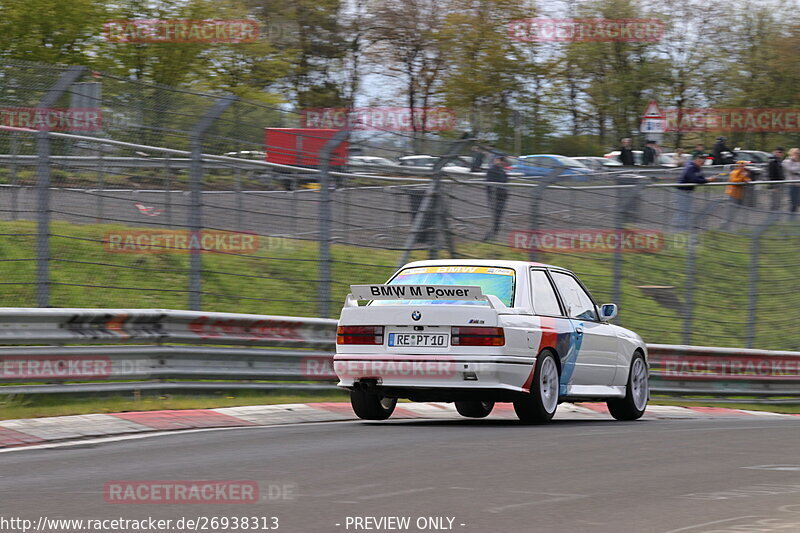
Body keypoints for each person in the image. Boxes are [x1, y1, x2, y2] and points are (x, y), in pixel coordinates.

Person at [673, 154, 716, 230]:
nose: (702, 164)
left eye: (703, 162)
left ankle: (685, 228)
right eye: (700, 162)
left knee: (688, 210)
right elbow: (694, 179)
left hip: (689, 191)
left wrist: (706, 179)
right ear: (696, 160)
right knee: (682, 211)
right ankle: (679, 229)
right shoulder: (690, 167)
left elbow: (701, 177)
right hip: (682, 191)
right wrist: (707, 180)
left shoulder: (698, 168)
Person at [485, 156, 509, 238]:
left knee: (498, 215)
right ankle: (493, 232)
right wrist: (490, 196)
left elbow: (505, 182)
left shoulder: (502, 170)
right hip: (496, 195)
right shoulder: (492, 170)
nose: (501, 162)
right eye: (499, 160)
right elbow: (489, 184)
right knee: (496, 214)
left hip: (502, 195)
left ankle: (495, 231)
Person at [781, 147, 800, 213]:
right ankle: (791, 216)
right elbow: (791, 169)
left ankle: (794, 215)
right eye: (796, 153)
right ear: (792, 153)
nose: (797, 155)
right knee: (793, 202)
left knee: (797, 201)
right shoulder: (786, 161)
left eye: (798, 153)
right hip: (791, 184)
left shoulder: (797, 162)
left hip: (798, 184)